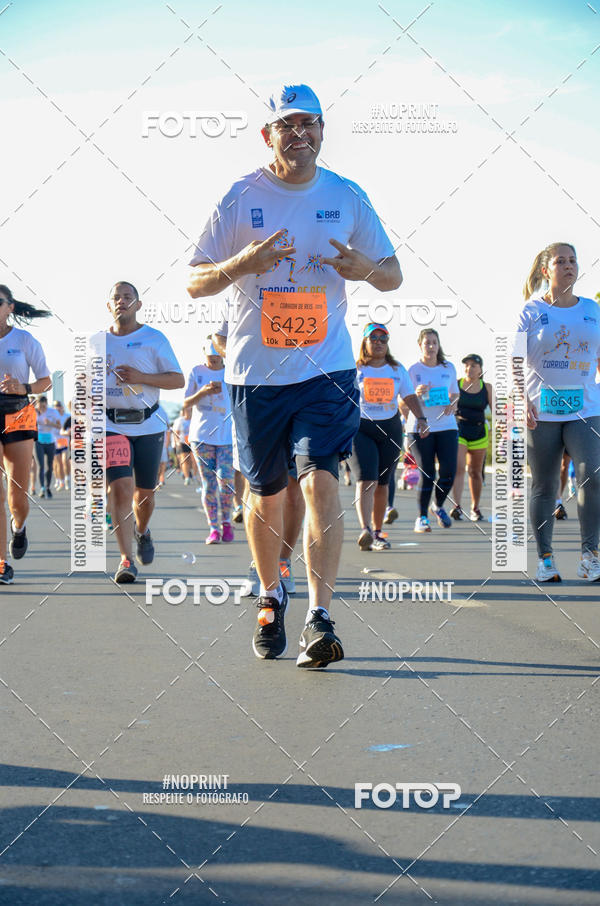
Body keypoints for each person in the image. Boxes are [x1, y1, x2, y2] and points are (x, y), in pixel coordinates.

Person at [188, 83, 401, 666]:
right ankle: (270, 594)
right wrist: (244, 263)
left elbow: (393, 274)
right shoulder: (240, 197)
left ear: (323, 132)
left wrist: (366, 269)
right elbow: (195, 279)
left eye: (310, 123)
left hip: (325, 370)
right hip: (254, 372)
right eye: (287, 125)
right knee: (266, 493)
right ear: (268, 135)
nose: (299, 133)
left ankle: (319, 616)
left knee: (321, 482)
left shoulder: (346, 194)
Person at [518, 242, 600, 582]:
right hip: (542, 408)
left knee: (591, 475)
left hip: (585, 406)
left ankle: (589, 556)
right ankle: (546, 559)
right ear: (545, 270)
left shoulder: (592, 309)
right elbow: (514, 359)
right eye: (560, 261)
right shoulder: (531, 310)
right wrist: (522, 400)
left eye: (572, 260)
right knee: (545, 486)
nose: (568, 266)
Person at [103, 281, 184, 583]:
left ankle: (142, 531)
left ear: (138, 305)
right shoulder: (97, 342)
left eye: (128, 297)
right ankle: (125, 560)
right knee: (121, 489)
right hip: (111, 426)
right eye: (116, 297)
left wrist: (141, 377)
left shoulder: (154, 338)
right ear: (108, 306)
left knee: (144, 495)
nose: (121, 301)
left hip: (148, 424)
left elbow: (178, 380)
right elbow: (84, 387)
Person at [352, 323, 427, 550]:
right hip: (361, 428)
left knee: (383, 483)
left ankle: (377, 533)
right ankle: (365, 529)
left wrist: (421, 419)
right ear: (365, 342)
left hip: (390, 429)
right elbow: (342, 398)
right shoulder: (355, 369)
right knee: (366, 479)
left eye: (383, 339)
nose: (378, 342)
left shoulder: (396, 369)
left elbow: (409, 396)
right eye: (373, 338)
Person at [0, 285, 52, 582]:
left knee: (16, 493)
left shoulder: (24, 339)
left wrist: (24, 388)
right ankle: (1, 562)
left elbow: (45, 381)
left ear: (10, 307)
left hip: (19, 411)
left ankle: (18, 528)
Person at [405, 329, 459, 532]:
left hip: (446, 425)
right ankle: (421, 518)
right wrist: (416, 393)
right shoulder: (412, 370)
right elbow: (403, 398)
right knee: (427, 472)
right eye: (427, 342)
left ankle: (437, 505)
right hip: (421, 426)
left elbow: (455, 393)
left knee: (448, 472)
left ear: (439, 345)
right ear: (420, 345)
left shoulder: (448, 367)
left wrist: (452, 404)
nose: (431, 346)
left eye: (434, 342)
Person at [184, 340, 234, 544]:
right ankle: (214, 528)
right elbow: (186, 403)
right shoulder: (196, 371)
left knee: (226, 482)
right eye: (209, 359)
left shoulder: (231, 372)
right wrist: (203, 392)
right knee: (209, 484)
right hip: (202, 436)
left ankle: (227, 521)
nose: (212, 362)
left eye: (216, 358)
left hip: (227, 436)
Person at [449, 354, 493, 522]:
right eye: (467, 365)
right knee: (459, 468)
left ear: (480, 369)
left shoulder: (487, 387)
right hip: (460, 430)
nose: (469, 368)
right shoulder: (457, 385)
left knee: (475, 472)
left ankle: (475, 508)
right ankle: (457, 506)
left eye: (473, 365)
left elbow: (497, 411)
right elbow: (447, 404)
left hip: (479, 432)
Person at [35, 396, 60, 498]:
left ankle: (48, 487)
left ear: (46, 404)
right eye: (40, 407)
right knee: (40, 465)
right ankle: (42, 488)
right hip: (38, 441)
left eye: (44, 406)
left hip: (50, 441)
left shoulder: (53, 412)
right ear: (37, 405)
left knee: (49, 466)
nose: (42, 409)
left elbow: (59, 426)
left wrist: (50, 423)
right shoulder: (34, 412)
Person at [172, 406, 193, 485]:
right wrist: (177, 442)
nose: (189, 412)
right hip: (183, 442)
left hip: (192, 442)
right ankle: (187, 477)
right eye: (187, 410)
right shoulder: (180, 420)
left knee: (192, 460)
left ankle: (193, 475)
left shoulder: (194, 420)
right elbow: (176, 433)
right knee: (184, 460)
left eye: (190, 410)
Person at [553, 451, 572, 520]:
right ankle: (558, 504)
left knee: (564, 467)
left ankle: (558, 499)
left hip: (569, 440)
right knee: (555, 467)